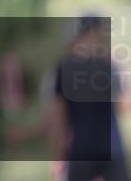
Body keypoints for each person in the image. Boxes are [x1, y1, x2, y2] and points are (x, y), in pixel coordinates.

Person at [51, 14, 129, 181]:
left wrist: (59, 156)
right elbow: (124, 106)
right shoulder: (109, 65)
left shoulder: (64, 68)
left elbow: (59, 119)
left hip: (80, 149)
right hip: (111, 147)